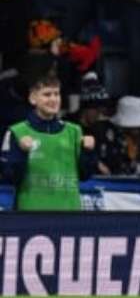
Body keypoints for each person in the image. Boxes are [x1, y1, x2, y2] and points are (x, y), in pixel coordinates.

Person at [1, 73, 96, 211]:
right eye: (47, 94)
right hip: (30, 217)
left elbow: (85, 175)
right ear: (33, 98)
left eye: (56, 94)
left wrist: (88, 152)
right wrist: (21, 152)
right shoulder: (16, 132)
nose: (53, 99)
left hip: (70, 215)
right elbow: (9, 178)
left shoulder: (74, 131)